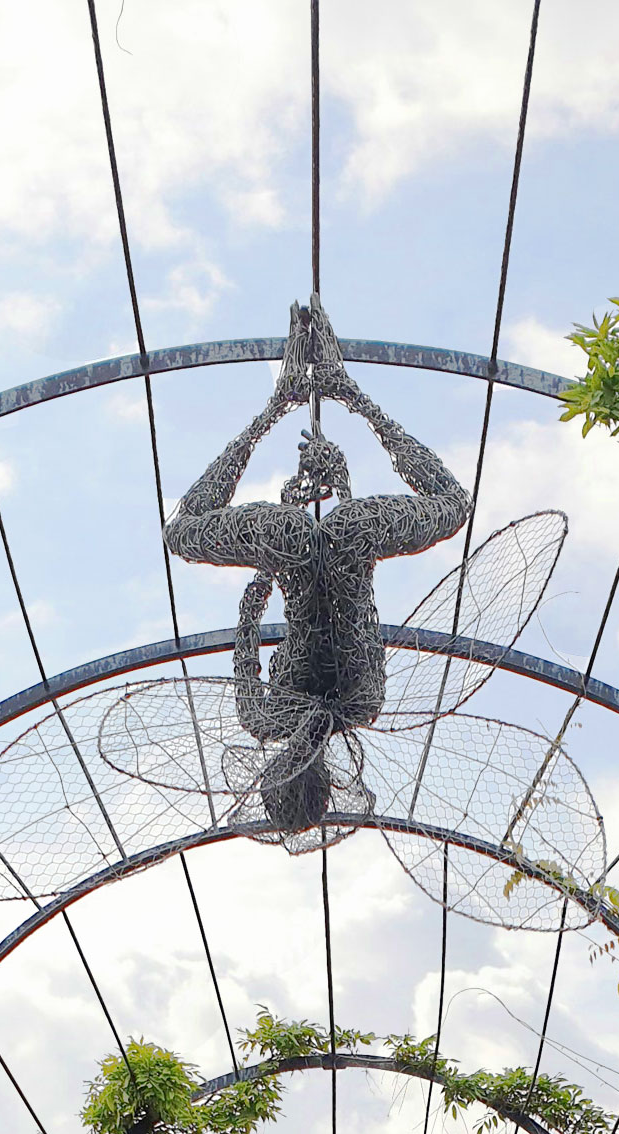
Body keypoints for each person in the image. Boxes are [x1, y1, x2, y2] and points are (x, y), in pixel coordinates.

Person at [163, 294, 471, 834]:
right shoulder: (280, 717)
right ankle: (325, 389)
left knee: (445, 509)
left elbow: (332, 619)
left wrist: (286, 545)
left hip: (328, 548)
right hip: (313, 552)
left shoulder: (354, 708)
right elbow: (264, 619)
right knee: (184, 531)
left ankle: (299, 395)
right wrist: (288, 542)